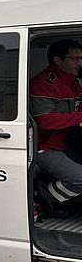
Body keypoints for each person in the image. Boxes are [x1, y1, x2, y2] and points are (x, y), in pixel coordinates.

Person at [29, 39, 82, 215]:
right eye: (75, 59)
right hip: (45, 147)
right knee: (80, 179)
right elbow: (46, 121)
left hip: (67, 144)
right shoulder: (43, 84)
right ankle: (43, 196)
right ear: (58, 60)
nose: (80, 63)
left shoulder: (73, 83)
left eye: (81, 58)